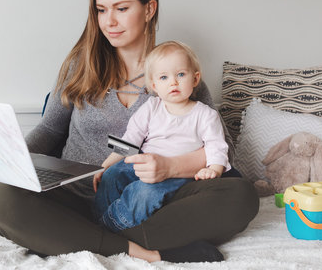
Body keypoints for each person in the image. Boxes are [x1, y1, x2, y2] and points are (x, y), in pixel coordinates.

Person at [0, 0, 259, 263]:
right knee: (3, 198)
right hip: (77, 195)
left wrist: (170, 167)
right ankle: (145, 252)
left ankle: (72, 237)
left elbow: (224, 152)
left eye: (121, 8)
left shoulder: (178, 77)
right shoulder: (80, 67)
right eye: (101, 10)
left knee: (241, 196)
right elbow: (50, 130)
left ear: (149, 9)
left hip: (152, 200)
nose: (109, 22)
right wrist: (14, 160)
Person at [93, 40, 231, 233]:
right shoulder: (151, 107)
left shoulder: (205, 114)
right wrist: (105, 165)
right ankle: (97, 219)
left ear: (195, 78)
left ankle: (112, 226)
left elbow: (217, 146)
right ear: (154, 85)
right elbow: (130, 138)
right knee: (112, 176)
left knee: (144, 193)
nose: (173, 82)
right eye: (164, 77)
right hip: (144, 164)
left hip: (178, 175)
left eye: (181, 74)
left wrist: (214, 170)